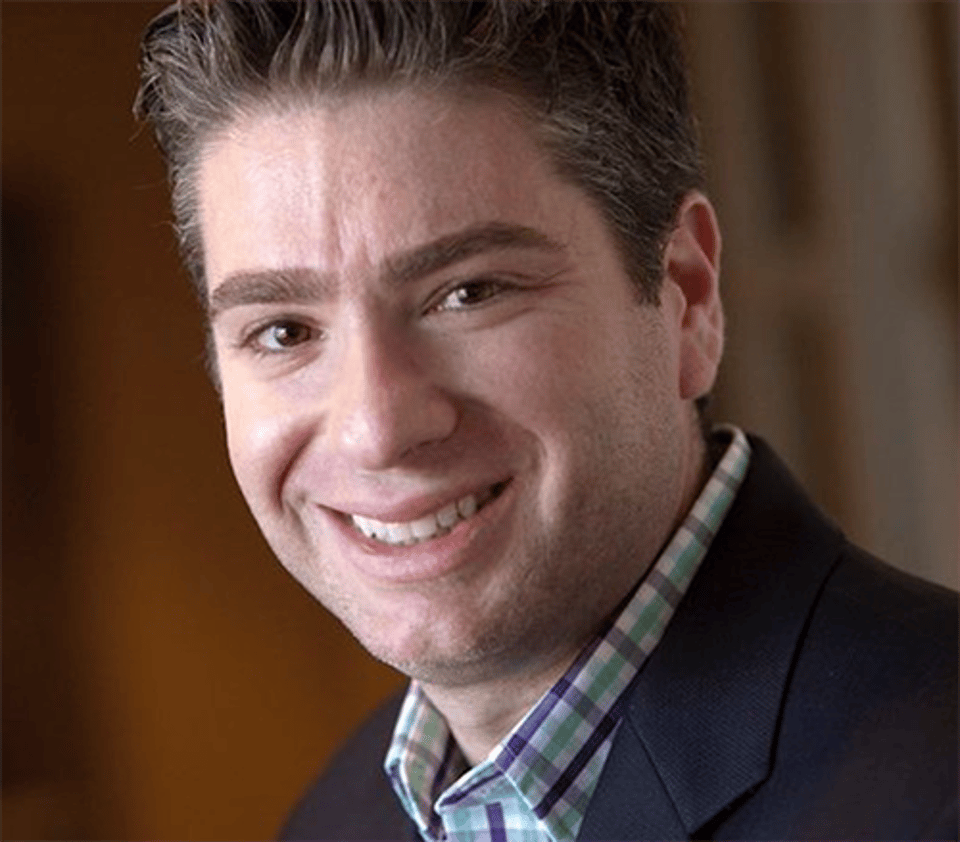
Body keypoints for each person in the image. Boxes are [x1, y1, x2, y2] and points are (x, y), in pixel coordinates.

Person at [135, 1, 958, 839]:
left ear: (687, 296)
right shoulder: (336, 819)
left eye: (470, 292)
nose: (376, 430)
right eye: (284, 332)